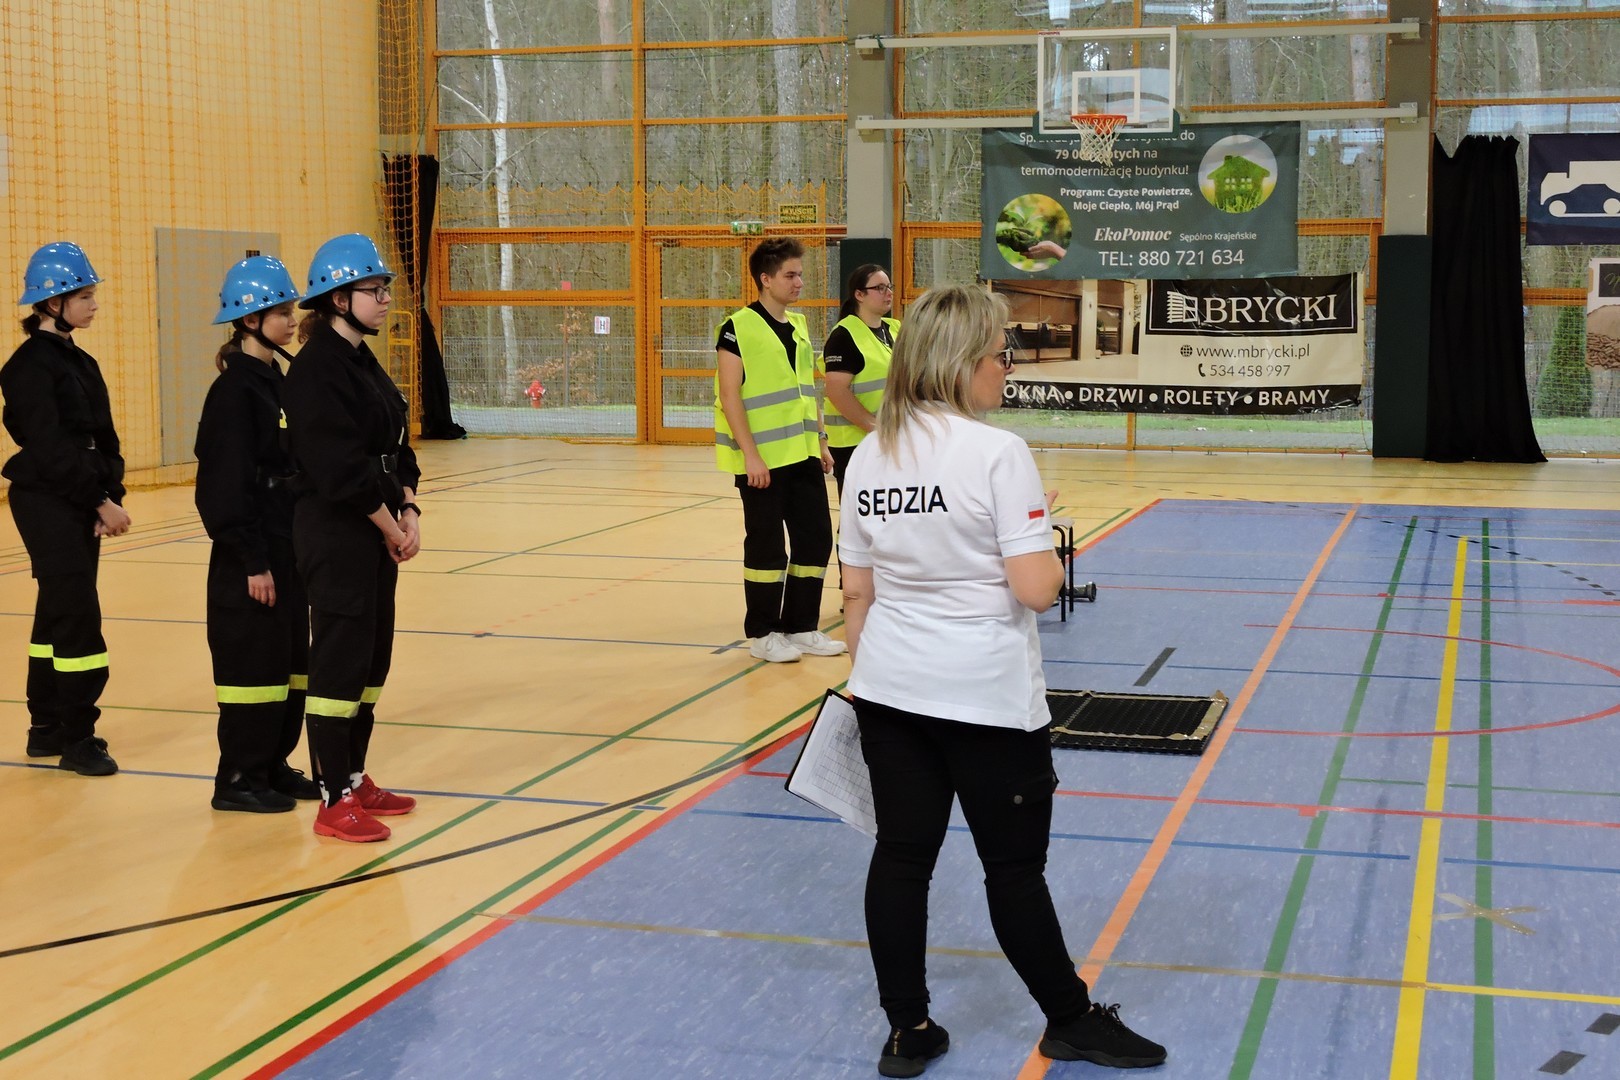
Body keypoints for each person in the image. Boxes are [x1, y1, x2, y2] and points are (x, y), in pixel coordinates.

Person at [838, 284, 1166, 1077]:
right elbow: (1037, 589)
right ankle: (1071, 1020)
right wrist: (1035, 531)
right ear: (960, 363)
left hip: (889, 691)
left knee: (901, 860)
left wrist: (872, 682)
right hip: (983, 698)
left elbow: (856, 594)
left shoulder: (870, 454)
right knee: (1014, 870)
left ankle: (908, 1029)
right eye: (999, 355)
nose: (1007, 369)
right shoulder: (996, 453)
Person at [282, 234, 420, 842]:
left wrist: (409, 507)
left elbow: (396, 444)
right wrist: (390, 525)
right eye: (374, 289)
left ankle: (355, 776)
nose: (386, 298)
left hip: (378, 529)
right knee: (338, 667)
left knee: (370, 662)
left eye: (386, 288)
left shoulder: (362, 360)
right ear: (338, 299)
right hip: (338, 533)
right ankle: (331, 796)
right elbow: (338, 467)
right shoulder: (316, 369)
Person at [194, 255, 321, 812]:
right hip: (252, 557)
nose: (291, 320)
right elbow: (222, 489)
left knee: (288, 665)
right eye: (281, 311)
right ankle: (239, 777)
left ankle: (271, 764)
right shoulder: (234, 392)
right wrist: (252, 560)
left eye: (291, 310)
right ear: (250, 320)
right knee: (252, 668)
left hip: (285, 547)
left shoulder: (275, 382)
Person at [2, 242, 129, 776]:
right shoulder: (27, 366)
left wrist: (111, 493)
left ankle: (46, 727)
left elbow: (104, 436)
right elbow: (49, 447)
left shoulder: (81, 360)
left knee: (56, 609)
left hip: (81, 496)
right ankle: (79, 737)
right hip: (47, 499)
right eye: (85, 296)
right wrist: (97, 499)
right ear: (53, 303)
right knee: (76, 613)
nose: (94, 305)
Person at [714, 237, 845, 664]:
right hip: (763, 462)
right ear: (765, 279)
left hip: (802, 454)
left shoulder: (801, 325)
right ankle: (763, 632)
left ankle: (801, 626)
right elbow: (730, 396)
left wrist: (820, 441)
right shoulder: (737, 327)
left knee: (815, 539)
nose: (799, 282)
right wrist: (751, 455)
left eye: (800, 274)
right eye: (790, 275)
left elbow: (807, 391)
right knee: (767, 547)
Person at [821, 264, 898, 496]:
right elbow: (837, 391)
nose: (888, 293)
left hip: (890, 439)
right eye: (880, 288)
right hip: (854, 445)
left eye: (889, 287)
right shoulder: (844, 335)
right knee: (859, 512)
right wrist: (875, 427)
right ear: (859, 295)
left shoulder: (895, 329)